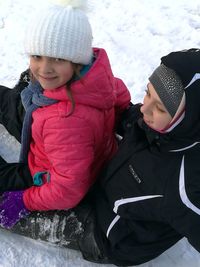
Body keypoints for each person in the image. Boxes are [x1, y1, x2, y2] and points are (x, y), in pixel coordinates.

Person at [1, 48, 200, 266]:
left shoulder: (187, 184)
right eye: (148, 92)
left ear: (189, 119)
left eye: (160, 108)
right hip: (98, 170)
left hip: (103, 231)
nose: (145, 108)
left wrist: (25, 200)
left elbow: (67, 191)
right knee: (52, 113)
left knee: (5, 204)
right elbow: (123, 109)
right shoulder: (153, 124)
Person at [0, 0, 131, 229]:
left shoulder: (65, 123)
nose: (44, 69)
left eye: (58, 59)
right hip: (52, 139)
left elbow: (68, 189)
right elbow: (120, 100)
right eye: (37, 56)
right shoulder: (99, 79)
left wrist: (24, 199)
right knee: (9, 103)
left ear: (77, 61)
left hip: (43, 172)